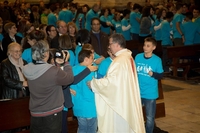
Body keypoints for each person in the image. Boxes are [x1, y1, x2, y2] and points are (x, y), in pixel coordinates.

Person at [88, 33, 145, 132]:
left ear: (117, 44)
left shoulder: (119, 61)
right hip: (125, 98)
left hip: (120, 102)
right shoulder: (128, 57)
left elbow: (111, 83)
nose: (109, 46)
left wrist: (93, 84)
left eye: (110, 44)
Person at [22, 40, 74, 133]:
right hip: (52, 113)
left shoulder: (27, 69)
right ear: (46, 54)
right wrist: (66, 63)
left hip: (35, 113)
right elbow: (69, 79)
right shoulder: (53, 71)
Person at [135, 37, 163, 133]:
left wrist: (153, 74)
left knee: (149, 118)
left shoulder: (157, 60)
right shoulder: (138, 57)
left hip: (150, 93)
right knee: (136, 115)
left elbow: (160, 75)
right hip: (138, 91)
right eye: (144, 45)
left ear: (153, 48)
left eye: (148, 46)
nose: (145, 47)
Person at [70, 50, 98, 133]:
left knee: (82, 128)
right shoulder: (91, 70)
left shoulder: (72, 69)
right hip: (90, 107)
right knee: (91, 130)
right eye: (92, 58)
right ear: (86, 59)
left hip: (78, 106)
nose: (93, 60)